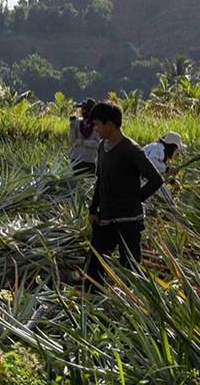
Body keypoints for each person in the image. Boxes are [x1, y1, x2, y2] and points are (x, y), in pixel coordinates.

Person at [84, 100, 164, 289]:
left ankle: (132, 308)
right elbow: (100, 180)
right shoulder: (103, 147)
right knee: (94, 266)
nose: (95, 129)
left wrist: (135, 199)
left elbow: (156, 179)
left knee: (130, 267)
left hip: (128, 220)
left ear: (109, 125)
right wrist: (93, 208)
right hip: (105, 218)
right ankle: (93, 305)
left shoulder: (131, 150)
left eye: (97, 124)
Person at [68, 98, 101, 175]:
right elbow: (71, 140)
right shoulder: (77, 123)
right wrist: (72, 127)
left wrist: (82, 142)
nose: (82, 111)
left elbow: (98, 144)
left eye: (83, 109)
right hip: (76, 160)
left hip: (90, 161)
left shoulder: (97, 125)